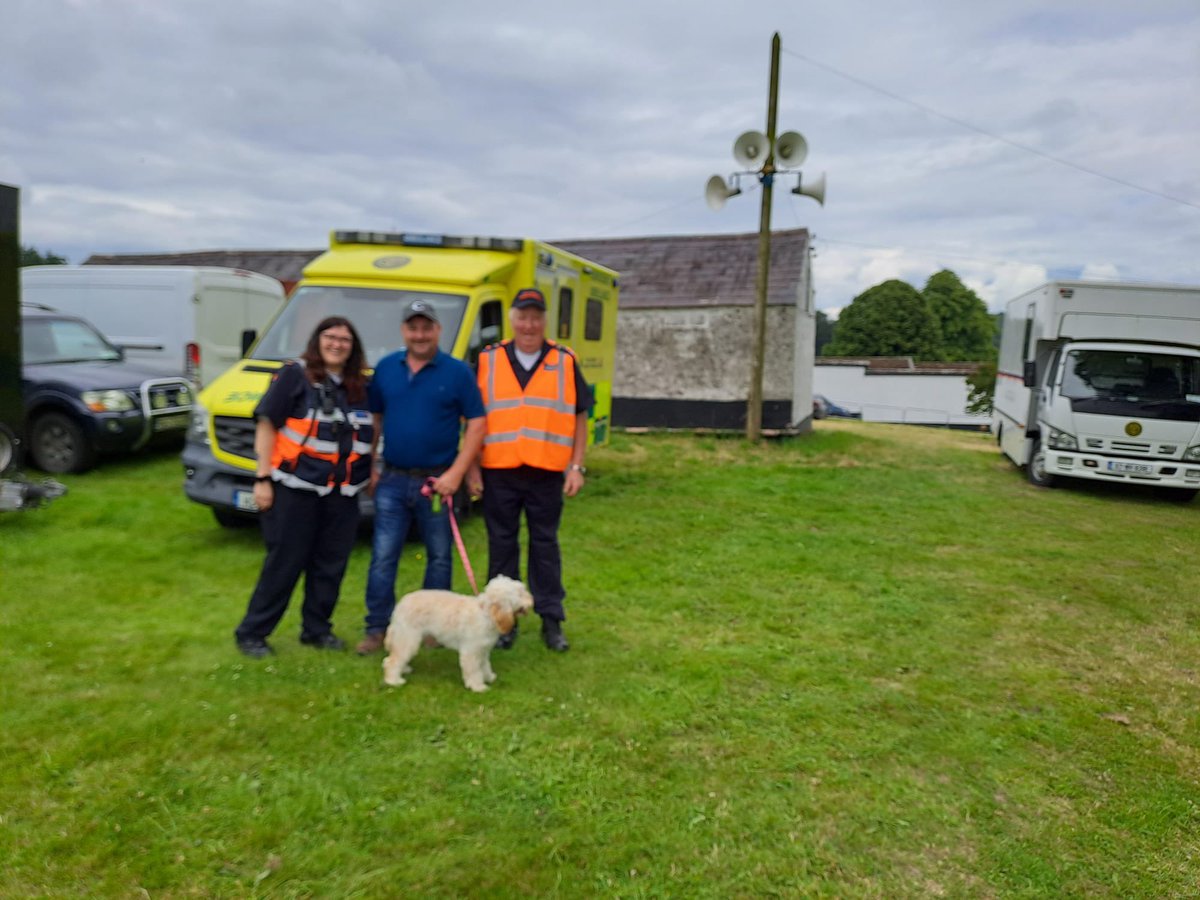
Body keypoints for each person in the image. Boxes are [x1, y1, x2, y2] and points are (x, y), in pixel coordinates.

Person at [234, 317, 373, 658]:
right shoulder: (294, 375)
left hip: (342, 494)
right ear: (317, 340)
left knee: (330, 566)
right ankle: (253, 632)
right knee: (284, 563)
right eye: (330, 337)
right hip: (296, 489)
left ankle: (317, 629)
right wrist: (262, 478)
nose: (337, 344)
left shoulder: (358, 387)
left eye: (345, 339)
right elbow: (267, 426)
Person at [356, 299, 486, 655]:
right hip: (393, 480)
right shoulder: (385, 369)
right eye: (413, 327)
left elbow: (476, 423)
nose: (420, 334)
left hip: (437, 484)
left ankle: (434, 629)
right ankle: (377, 628)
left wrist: (457, 473)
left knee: (440, 557)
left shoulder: (457, 372)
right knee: (384, 556)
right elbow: (376, 421)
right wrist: (370, 465)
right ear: (404, 331)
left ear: (437, 330)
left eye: (426, 327)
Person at [471, 288, 590, 652]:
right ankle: (502, 623)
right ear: (511, 319)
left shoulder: (565, 360)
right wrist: (473, 469)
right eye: (522, 316)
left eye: (536, 316)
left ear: (545, 321)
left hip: (546, 472)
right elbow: (474, 420)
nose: (529, 324)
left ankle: (551, 620)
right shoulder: (488, 359)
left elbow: (580, 416)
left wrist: (577, 465)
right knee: (501, 547)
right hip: (499, 471)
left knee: (545, 547)